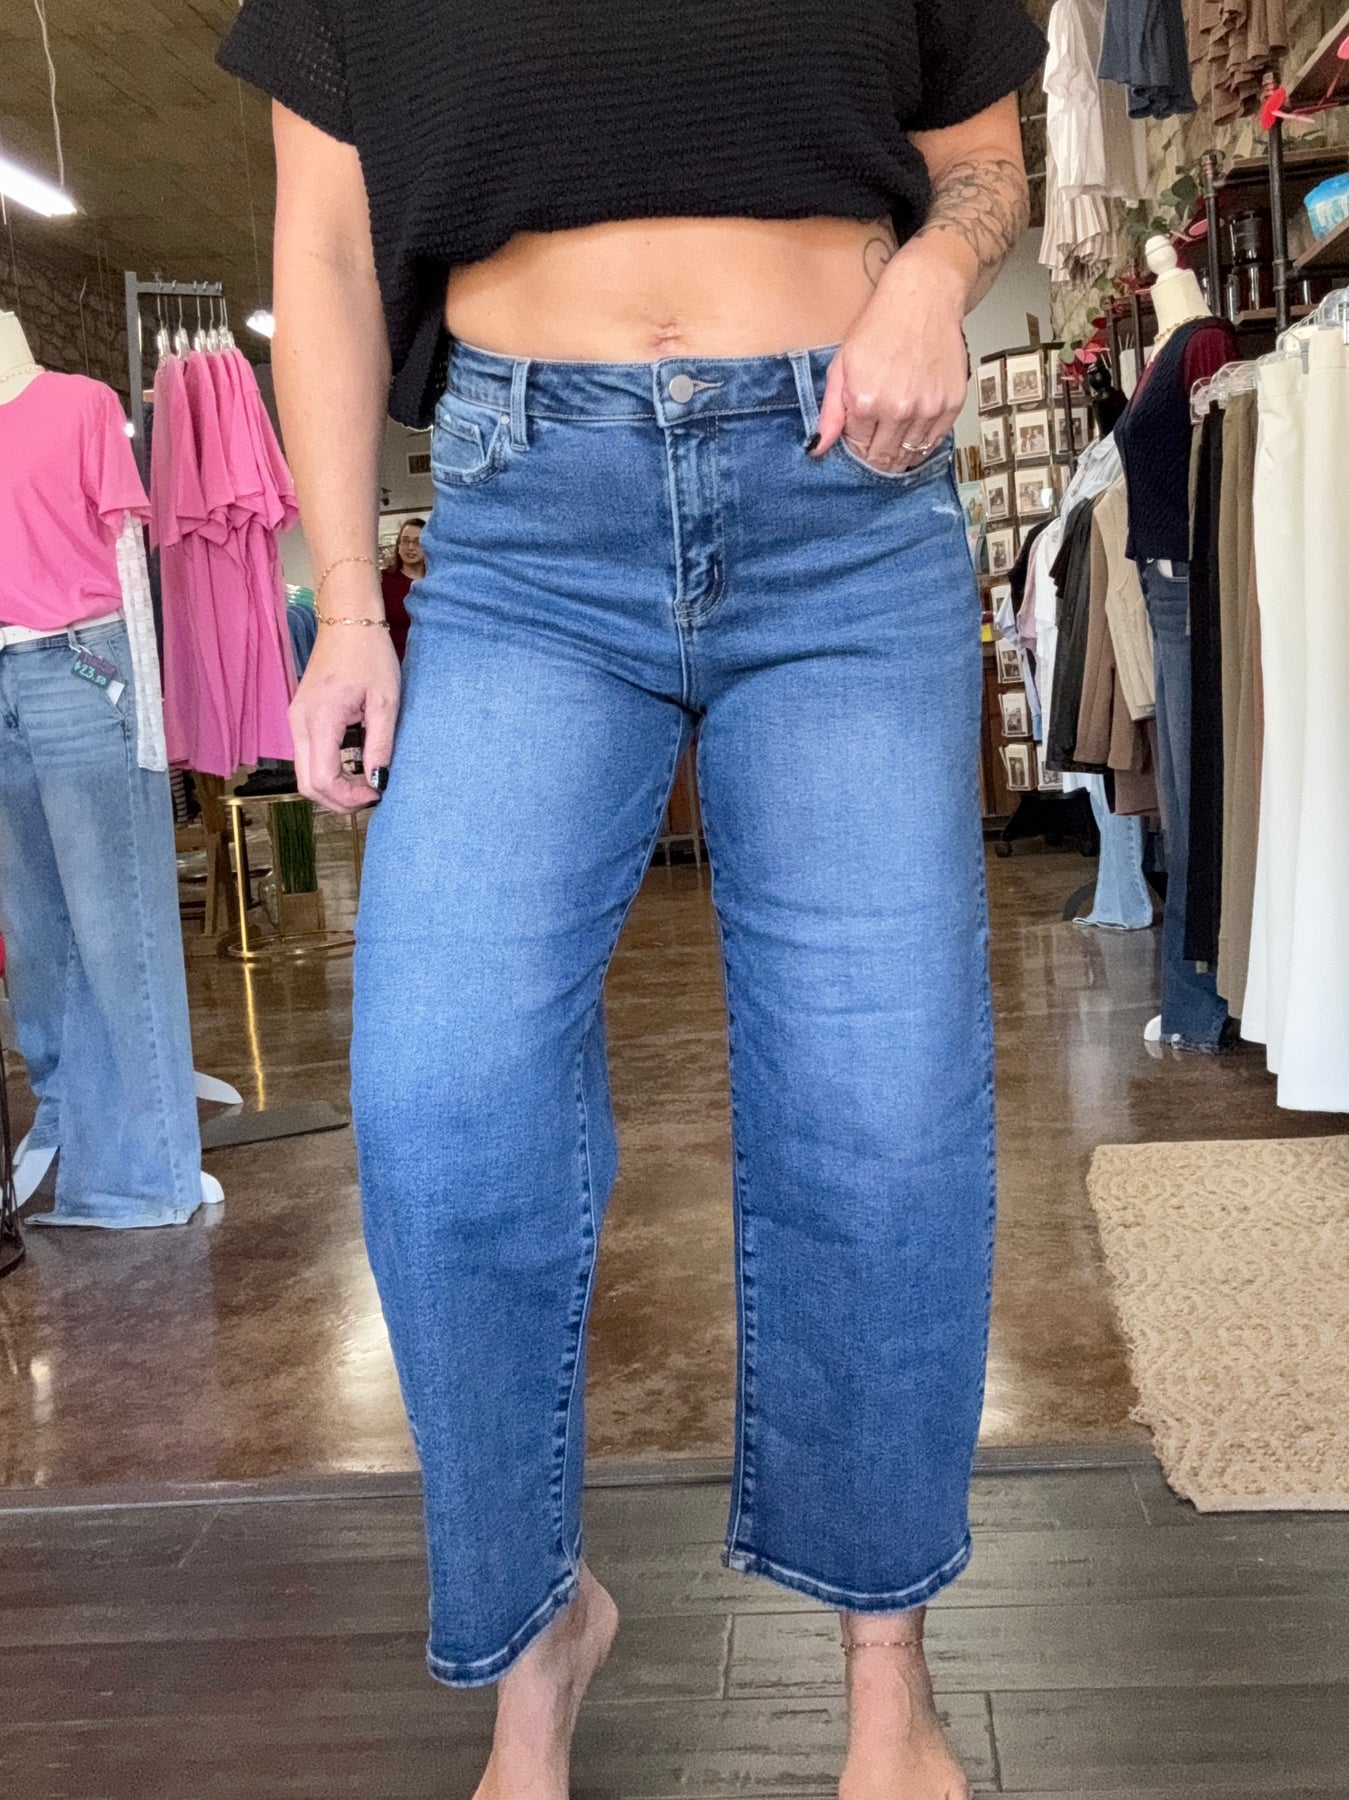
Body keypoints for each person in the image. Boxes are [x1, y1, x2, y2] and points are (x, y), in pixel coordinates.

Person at [219, 5, 1046, 1796]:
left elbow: (982, 160)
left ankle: (887, 1691)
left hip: (844, 490)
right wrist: (346, 603)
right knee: (439, 1099)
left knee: (878, 1108)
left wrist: (929, 276)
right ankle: (536, 1639)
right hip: (525, 527)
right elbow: (330, 247)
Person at [380, 516, 426, 662]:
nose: (410, 547)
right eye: (405, 541)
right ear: (398, 545)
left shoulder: (437, 581)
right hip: (394, 658)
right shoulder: (383, 580)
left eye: (417, 542)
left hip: (431, 658)